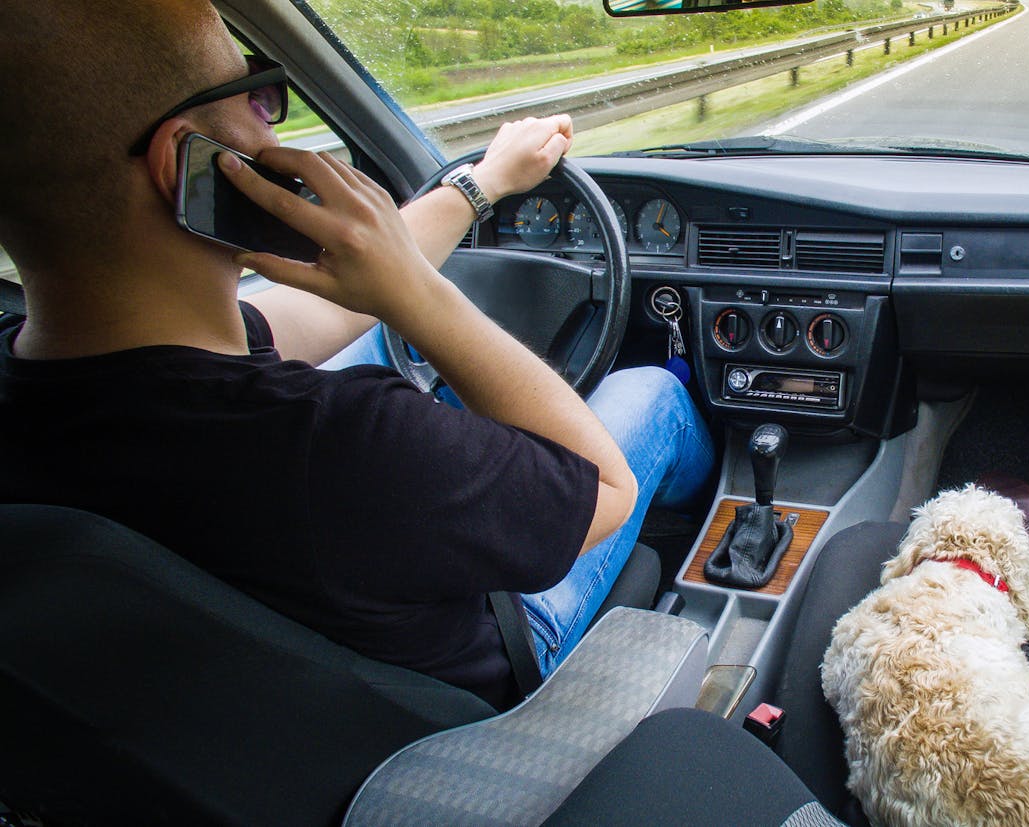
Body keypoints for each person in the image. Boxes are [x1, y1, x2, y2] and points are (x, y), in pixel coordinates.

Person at [0, 0, 712, 708]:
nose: (264, 116)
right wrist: (420, 301)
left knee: (377, 337)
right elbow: (603, 488)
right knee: (652, 393)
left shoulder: (63, 383)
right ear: (184, 162)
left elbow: (319, 312)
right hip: (493, 658)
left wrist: (481, 184)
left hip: (273, 698)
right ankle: (699, 522)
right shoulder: (338, 441)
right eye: (253, 93)